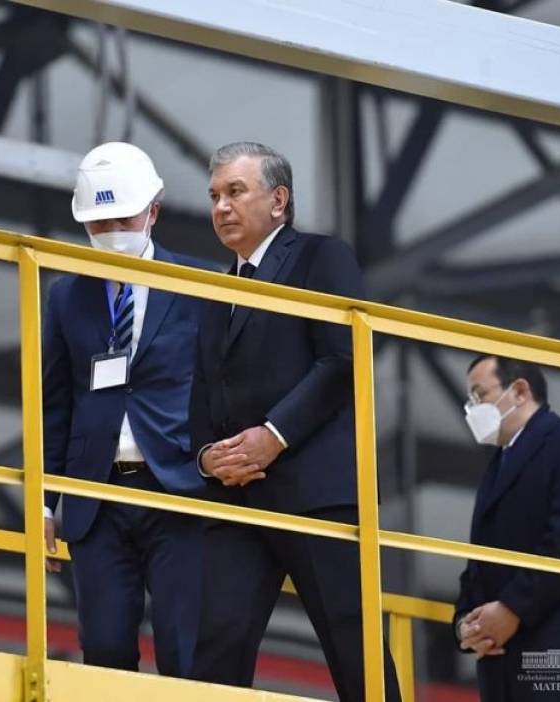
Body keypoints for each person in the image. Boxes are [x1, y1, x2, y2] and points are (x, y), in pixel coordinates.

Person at [189, 141, 401, 701]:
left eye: (235, 191)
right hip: (238, 499)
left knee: (354, 649)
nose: (221, 207)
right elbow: (203, 392)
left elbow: (343, 358)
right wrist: (207, 457)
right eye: (214, 196)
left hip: (315, 494)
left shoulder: (321, 257)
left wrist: (273, 435)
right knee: (214, 651)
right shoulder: (216, 290)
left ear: (279, 200)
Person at [41, 142, 204, 676]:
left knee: (184, 653)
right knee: (105, 651)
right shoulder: (65, 295)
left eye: (122, 219)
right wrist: (44, 502)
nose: (111, 231)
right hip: (97, 497)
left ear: (153, 210)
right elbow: (54, 404)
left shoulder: (199, 285)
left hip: (178, 491)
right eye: (99, 222)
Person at [455, 355, 560, 701]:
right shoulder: (495, 470)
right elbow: (477, 563)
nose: (472, 410)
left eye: (479, 395)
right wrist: (466, 625)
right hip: (505, 675)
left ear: (519, 391)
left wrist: (512, 608)